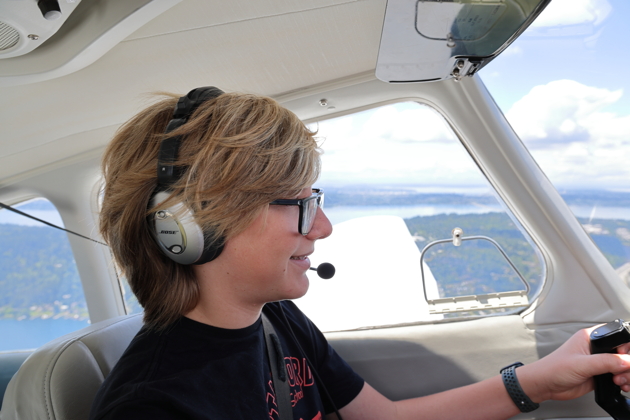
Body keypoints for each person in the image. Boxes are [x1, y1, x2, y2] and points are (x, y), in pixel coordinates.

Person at [91, 87, 630, 420]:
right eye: (299, 205)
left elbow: (386, 417)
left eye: (316, 201)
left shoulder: (276, 319)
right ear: (186, 227)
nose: (322, 227)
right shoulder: (156, 405)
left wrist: (540, 378)